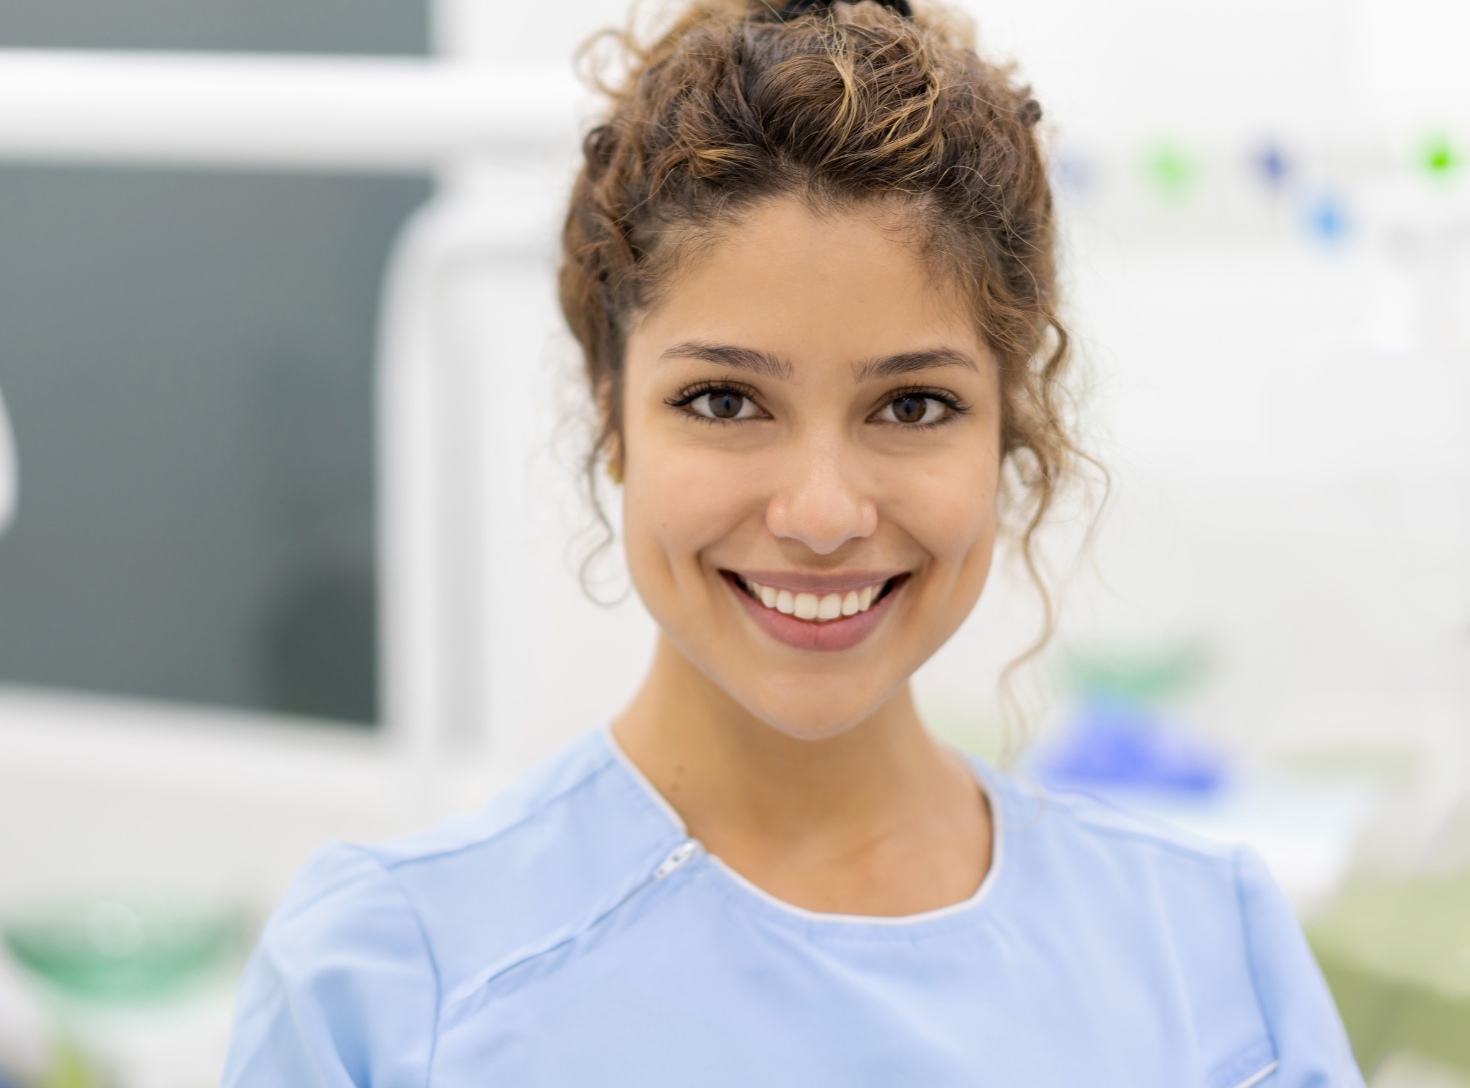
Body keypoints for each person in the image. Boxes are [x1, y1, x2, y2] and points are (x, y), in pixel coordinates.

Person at [221, 0, 1363, 1084]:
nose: (822, 514)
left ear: (1010, 430)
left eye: (912, 404)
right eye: (725, 400)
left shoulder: (1208, 953)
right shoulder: (386, 982)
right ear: (611, 413)